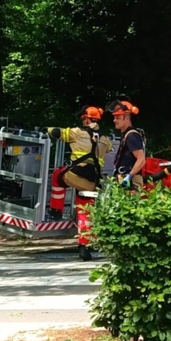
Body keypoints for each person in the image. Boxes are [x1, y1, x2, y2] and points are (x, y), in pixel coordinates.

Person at [47, 105, 113, 261]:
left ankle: (56, 210)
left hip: (74, 176)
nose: (82, 121)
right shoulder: (105, 140)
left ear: (88, 119)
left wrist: (46, 130)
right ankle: (84, 248)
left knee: (57, 175)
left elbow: (56, 132)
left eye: (84, 118)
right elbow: (109, 149)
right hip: (92, 182)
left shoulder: (77, 133)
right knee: (85, 213)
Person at [107, 100, 146, 189]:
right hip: (124, 179)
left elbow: (141, 159)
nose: (114, 120)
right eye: (114, 117)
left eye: (118, 117)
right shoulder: (126, 135)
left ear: (127, 118)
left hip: (131, 182)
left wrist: (129, 176)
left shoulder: (132, 136)